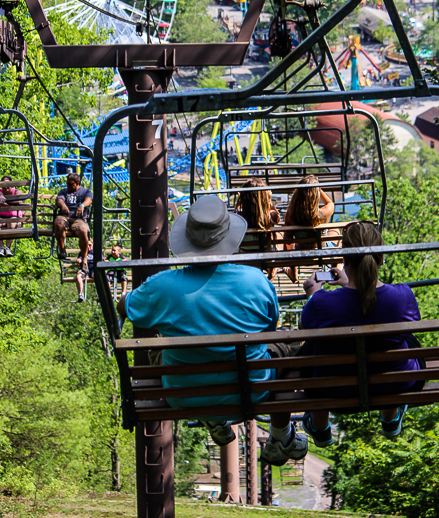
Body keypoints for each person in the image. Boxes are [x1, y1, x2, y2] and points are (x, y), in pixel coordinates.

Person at [116, 195, 308, 466]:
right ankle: (281, 435)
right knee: (289, 348)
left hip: (183, 394)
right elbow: (269, 327)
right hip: (251, 389)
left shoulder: (162, 286)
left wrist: (124, 302)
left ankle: (215, 417)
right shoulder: (256, 281)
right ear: (229, 239)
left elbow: (126, 306)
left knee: (161, 343)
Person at [299, 220, 422, 447]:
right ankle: (390, 419)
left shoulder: (322, 304)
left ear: (344, 260)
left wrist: (313, 295)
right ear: (381, 257)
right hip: (397, 382)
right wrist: (349, 285)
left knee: (313, 348)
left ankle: (320, 428)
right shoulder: (402, 297)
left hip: (334, 389)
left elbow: (306, 327)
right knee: (401, 340)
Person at [283, 174, 336, 283]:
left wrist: (291, 257)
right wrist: (318, 188)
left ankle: (293, 272)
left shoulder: (291, 215)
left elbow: (288, 240)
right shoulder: (324, 213)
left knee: (289, 243)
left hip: (300, 252)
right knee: (335, 231)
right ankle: (336, 268)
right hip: (320, 251)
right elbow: (330, 203)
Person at [54, 173, 93, 266]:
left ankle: (84, 259)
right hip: (65, 217)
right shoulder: (63, 192)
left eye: (70, 184)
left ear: (77, 183)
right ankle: (62, 250)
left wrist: (82, 205)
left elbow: (89, 199)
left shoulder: (85, 192)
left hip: (79, 219)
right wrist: (63, 205)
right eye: (67, 184)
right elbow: (59, 200)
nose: (68, 186)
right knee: (58, 223)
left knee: (83, 231)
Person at [0, 175, 24, 257]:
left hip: (15, 218)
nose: (6, 187)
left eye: (8, 184)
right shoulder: (0, 192)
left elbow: (18, 201)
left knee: (11, 223)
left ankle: (8, 248)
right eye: (3, 184)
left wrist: (5, 202)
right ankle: (1, 247)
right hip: (2, 218)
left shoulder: (16, 191)